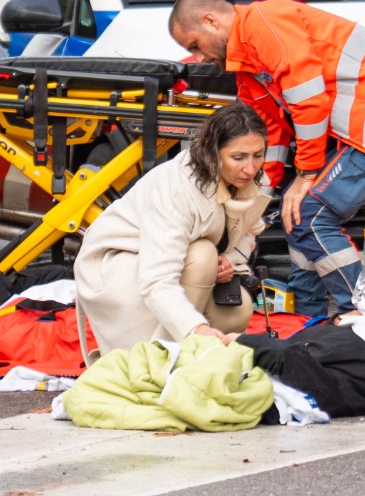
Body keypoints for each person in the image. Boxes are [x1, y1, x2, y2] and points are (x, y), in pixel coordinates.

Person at [168, 0, 365, 317]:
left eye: (194, 45)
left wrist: (306, 174)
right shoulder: (248, 67)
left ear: (210, 21)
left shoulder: (264, 23)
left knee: (310, 211)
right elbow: (268, 137)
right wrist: (253, 200)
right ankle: (310, 317)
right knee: (298, 212)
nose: (198, 58)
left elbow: (310, 100)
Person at [75, 103, 271, 356]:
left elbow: (247, 231)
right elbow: (156, 280)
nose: (251, 168)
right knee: (202, 257)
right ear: (212, 152)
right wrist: (195, 328)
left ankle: (195, 357)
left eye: (258, 154)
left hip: (174, 262)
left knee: (237, 309)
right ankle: (159, 359)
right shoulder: (177, 187)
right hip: (117, 264)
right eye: (238, 157)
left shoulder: (251, 179)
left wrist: (229, 261)